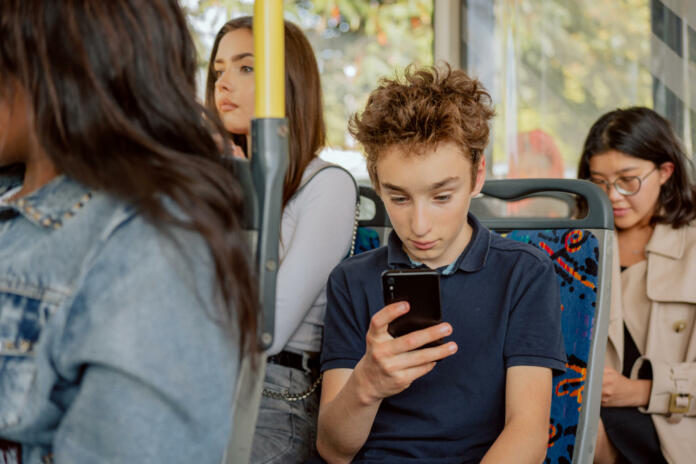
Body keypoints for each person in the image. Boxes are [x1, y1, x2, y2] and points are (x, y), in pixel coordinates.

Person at [0, 1, 257, 462]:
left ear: (50, 68)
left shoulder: (152, 250)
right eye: (219, 69)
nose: (224, 84)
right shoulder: (15, 202)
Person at [316, 65, 566, 463]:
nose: (419, 225)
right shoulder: (351, 281)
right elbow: (333, 449)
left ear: (477, 175)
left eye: (441, 197)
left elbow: (527, 434)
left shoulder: (524, 275)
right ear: (377, 185)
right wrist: (368, 383)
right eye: (398, 198)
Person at [205, 17, 357, 463]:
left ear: (286, 82)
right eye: (218, 71)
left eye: (245, 68)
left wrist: (243, 199)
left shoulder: (327, 187)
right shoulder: (216, 178)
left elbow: (264, 330)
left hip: (275, 395)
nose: (224, 83)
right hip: (209, 377)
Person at [578, 107, 696, 464]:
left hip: (673, 431)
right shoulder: (575, 246)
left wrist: (642, 390)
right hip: (591, 422)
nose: (612, 195)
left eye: (628, 180)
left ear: (665, 171)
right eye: (598, 182)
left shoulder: (692, 249)